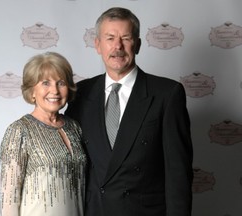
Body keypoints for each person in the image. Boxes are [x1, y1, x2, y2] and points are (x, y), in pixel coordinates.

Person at [65, 7, 193, 216]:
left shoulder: (167, 94)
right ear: (98, 45)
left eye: (126, 38)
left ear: (138, 44)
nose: (118, 46)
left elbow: (178, 173)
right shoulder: (81, 93)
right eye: (110, 38)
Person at [0, 52, 87, 216]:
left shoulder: (74, 127)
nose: (54, 90)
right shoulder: (20, 131)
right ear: (32, 91)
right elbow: (9, 200)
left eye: (61, 83)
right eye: (45, 83)